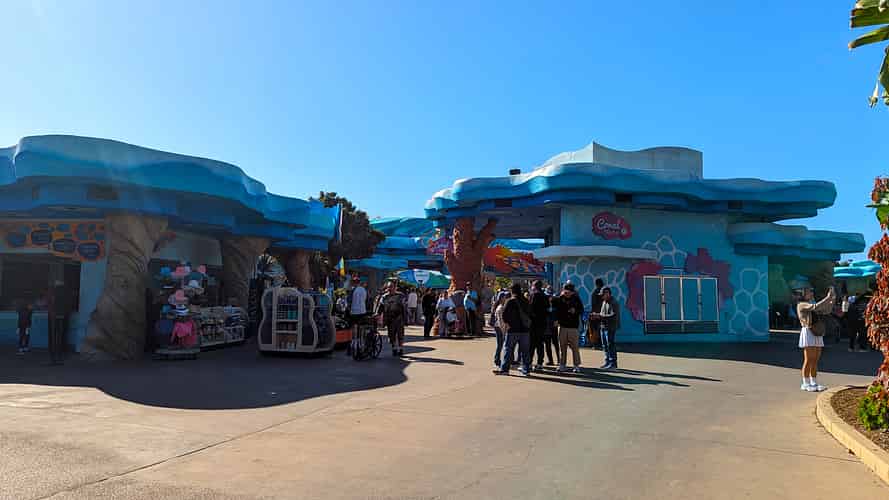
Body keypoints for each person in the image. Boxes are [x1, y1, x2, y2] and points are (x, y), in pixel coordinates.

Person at [797, 286, 836, 392]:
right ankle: (805, 383)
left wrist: (832, 299)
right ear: (803, 294)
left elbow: (827, 310)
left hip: (817, 331)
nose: (811, 293)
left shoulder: (811, 303)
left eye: (811, 292)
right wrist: (828, 298)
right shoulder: (801, 304)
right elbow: (815, 307)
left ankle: (813, 382)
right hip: (808, 331)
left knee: (815, 359)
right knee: (808, 359)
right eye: (809, 292)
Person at [494, 283, 532, 376]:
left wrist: (507, 324)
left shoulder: (510, 301)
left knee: (508, 349)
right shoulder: (526, 301)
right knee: (525, 351)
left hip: (512, 330)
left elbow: (504, 315)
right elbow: (530, 314)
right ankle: (526, 369)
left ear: (512, 291)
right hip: (524, 330)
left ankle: (505, 369)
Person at [553, 282, 584, 373]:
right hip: (562, 326)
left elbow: (581, 310)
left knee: (575, 347)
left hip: (573, 327)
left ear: (572, 292)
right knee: (562, 347)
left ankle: (576, 365)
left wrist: (575, 311)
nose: (566, 293)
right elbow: (554, 308)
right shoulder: (560, 298)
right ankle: (562, 365)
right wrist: (556, 320)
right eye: (565, 291)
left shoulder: (576, 299)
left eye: (568, 292)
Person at [376, 281, 408, 356]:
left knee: (400, 334)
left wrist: (405, 319)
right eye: (389, 287)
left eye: (391, 287)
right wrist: (378, 314)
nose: (390, 288)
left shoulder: (400, 296)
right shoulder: (385, 297)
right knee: (391, 334)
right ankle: (394, 348)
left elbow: (404, 307)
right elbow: (381, 306)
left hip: (399, 317)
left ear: (395, 287)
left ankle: (400, 348)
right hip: (390, 318)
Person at [595, 287, 621, 370]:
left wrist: (600, 316)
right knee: (605, 345)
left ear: (607, 293)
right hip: (603, 326)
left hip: (610, 327)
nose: (602, 296)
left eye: (603, 295)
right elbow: (602, 314)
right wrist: (597, 315)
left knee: (610, 345)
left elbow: (613, 316)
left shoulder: (614, 302)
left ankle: (613, 363)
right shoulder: (604, 302)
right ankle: (607, 362)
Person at [529, 280, 553, 370]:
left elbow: (530, 308)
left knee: (531, 344)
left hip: (534, 323)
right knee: (540, 344)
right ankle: (540, 363)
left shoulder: (533, 296)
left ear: (534, 286)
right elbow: (548, 310)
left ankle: (529, 363)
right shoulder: (545, 296)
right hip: (542, 323)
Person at [49, 280, 72, 365]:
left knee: (54, 335)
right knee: (60, 334)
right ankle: (59, 354)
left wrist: (52, 312)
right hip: (62, 315)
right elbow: (68, 304)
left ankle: (54, 355)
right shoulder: (65, 293)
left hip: (54, 316)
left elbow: (52, 303)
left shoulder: (53, 292)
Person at [492, 292, 509, 369]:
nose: (506, 298)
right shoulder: (500, 307)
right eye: (505, 297)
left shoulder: (501, 306)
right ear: (501, 298)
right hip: (499, 328)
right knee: (500, 345)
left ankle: (498, 359)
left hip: (498, 327)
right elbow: (500, 321)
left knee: (500, 345)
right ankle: (497, 360)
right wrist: (503, 331)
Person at [588, 279, 605, 349]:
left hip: (596, 314)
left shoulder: (595, 293)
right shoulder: (601, 293)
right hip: (600, 314)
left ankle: (595, 344)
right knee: (599, 329)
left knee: (595, 330)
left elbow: (594, 304)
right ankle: (599, 344)